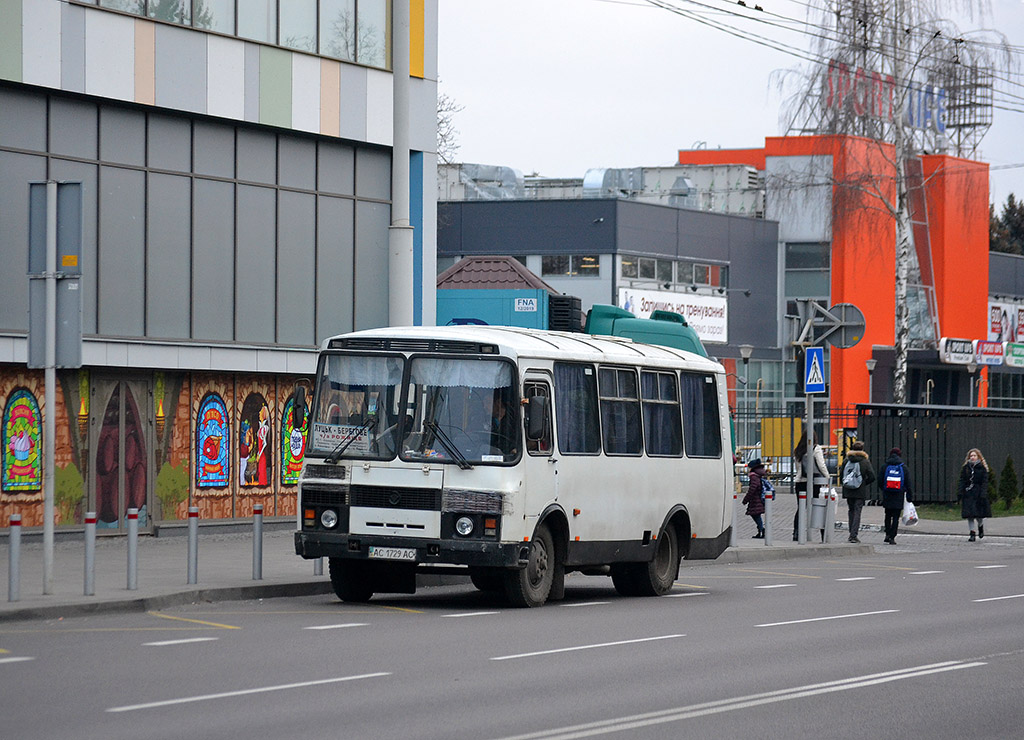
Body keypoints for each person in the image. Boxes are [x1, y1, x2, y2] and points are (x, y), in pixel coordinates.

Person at [792, 431, 829, 542]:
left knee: (801, 507)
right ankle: (823, 533)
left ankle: (796, 532)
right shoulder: (816, 448)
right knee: (819, 507)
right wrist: (827, 477)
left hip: (800, 482)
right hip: (814, 482)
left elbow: (797, 468)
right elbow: (821, 465)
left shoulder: (798, 450)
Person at [840, 441, 876, 543]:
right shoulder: (865, 461)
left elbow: (841, 475)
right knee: (857, 512)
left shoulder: (846, 460)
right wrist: (863, 483)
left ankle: (851, 533)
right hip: (859, 490)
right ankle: (853, 535)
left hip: (848, 490)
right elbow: (872, 476)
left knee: (851, 511)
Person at [877, 447, 913, 544]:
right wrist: (909, 495)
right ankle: (892, 537)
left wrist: (884, 489)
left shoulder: (885, 466)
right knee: (896, 517)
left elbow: (880, 480)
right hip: (898, 494)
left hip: (887, 494)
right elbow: (908, 483)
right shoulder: (903, 467)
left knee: (888, 515)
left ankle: (887, 534)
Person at [958, 448, 991, 542]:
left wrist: (983, 493)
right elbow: (962, 480)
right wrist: (960, 492)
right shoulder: (966, 468)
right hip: (968, 493)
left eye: (974, 456)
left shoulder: (982, 468)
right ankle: (972, 533)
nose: (972, 457)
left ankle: (980, 527)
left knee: (978, 515)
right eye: (971, 456)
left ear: (978, 457)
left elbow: (984, 482)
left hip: (978, 493)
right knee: (970, 515)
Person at [742, 458, 768, 538]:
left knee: (755, 515)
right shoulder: (758, 475)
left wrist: (746, 499)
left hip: (755, 499)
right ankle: (761, 530)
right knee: (756, 515)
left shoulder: (754, 476)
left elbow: (752, 488)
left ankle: (762, 530)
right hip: (758, 498)